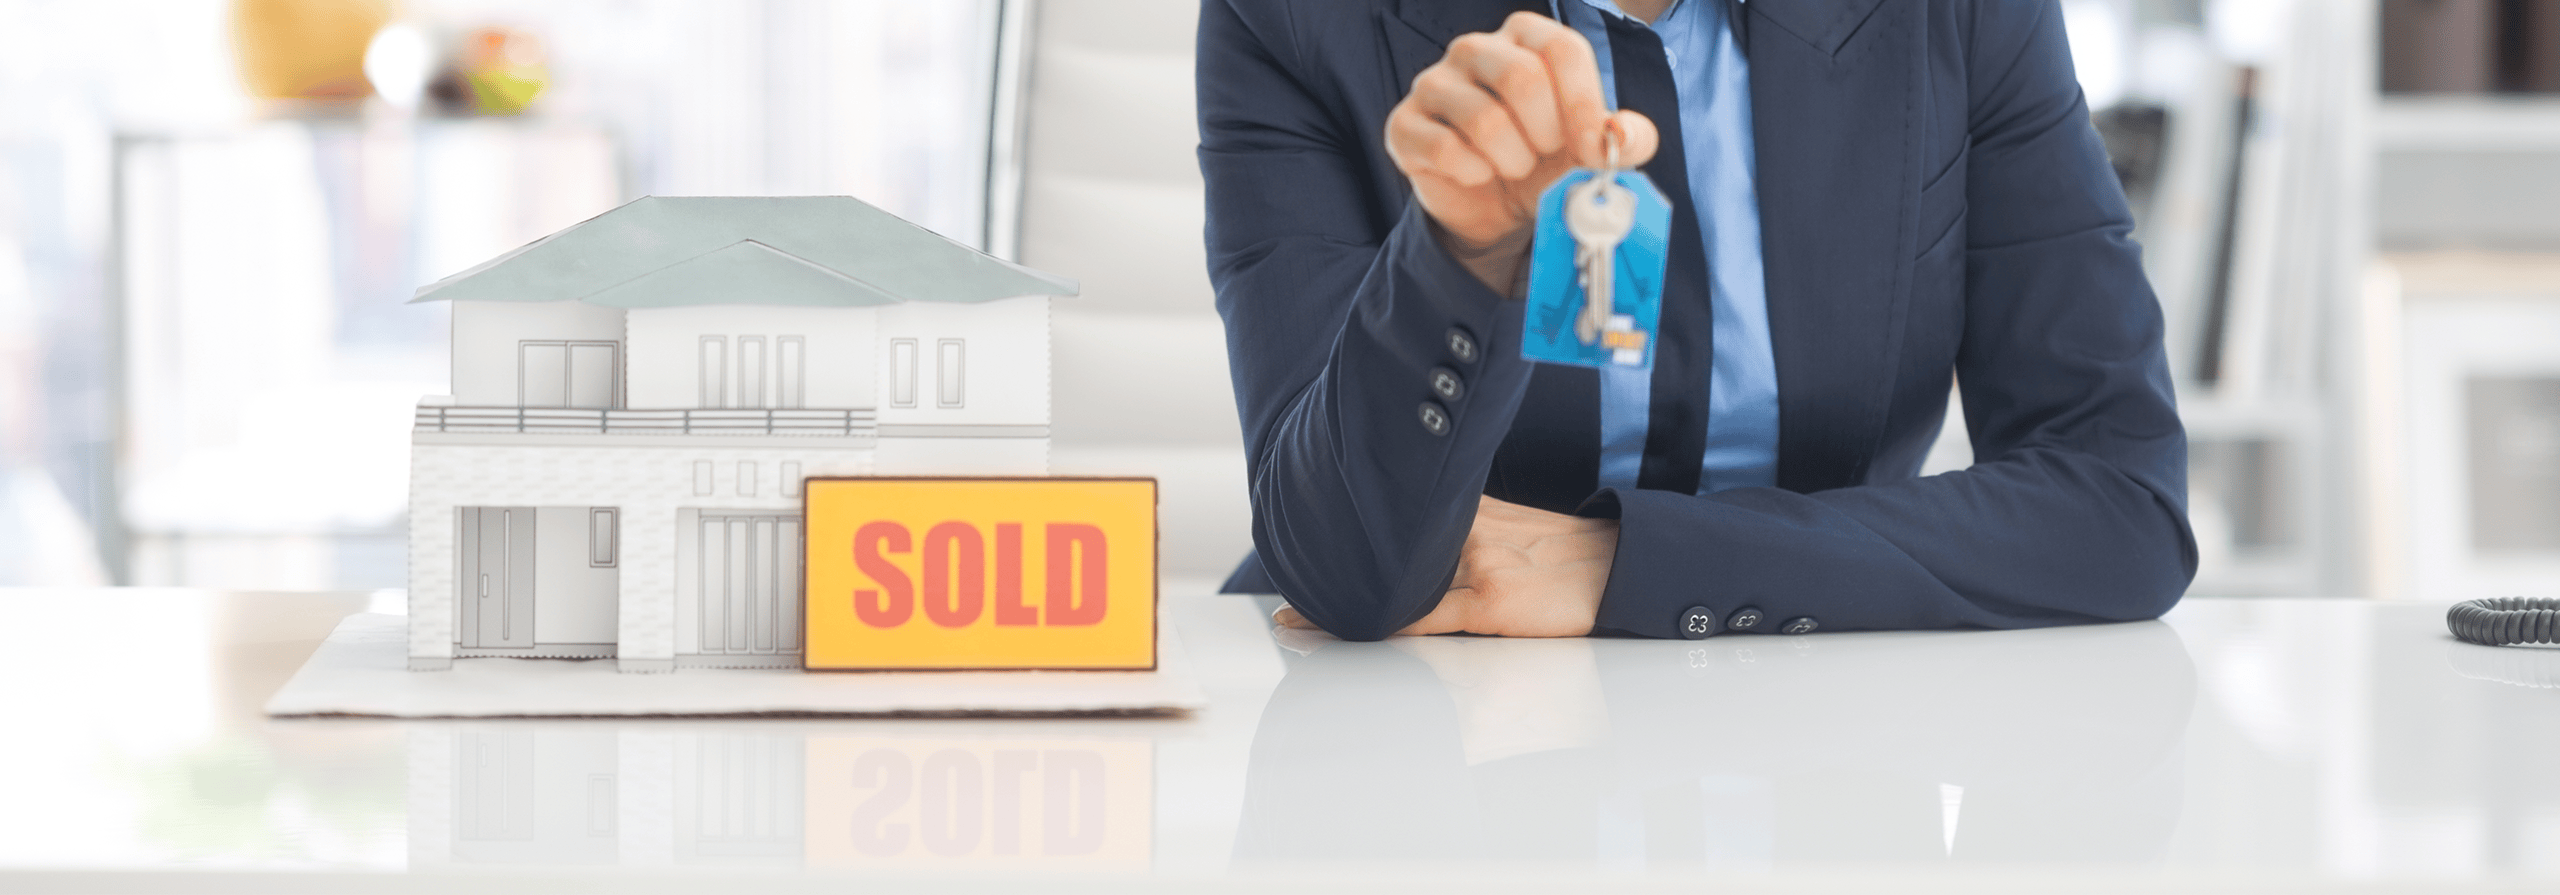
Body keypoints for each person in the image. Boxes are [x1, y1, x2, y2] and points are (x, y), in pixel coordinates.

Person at [1197, 0, 2194, 641]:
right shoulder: (1294, 18)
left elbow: (2118, 503)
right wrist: (1465, 253)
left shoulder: (1958, 16)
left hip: (1824, 723)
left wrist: (1627, 564)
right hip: (1427, 735)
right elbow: (1346, 568)